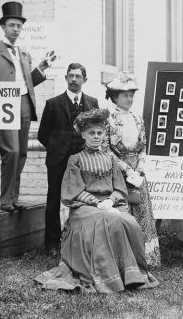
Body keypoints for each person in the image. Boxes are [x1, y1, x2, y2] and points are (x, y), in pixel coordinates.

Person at [34, 108, 159, 293]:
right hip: (83, 207)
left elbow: (120, 189)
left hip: (109, 204)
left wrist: (110, 200)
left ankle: (132, 274)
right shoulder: (75, 159)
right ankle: (108, 277)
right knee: (108, 219)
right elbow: (72, 191)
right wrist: (97, 203)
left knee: (129, 221)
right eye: (91, 133)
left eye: (99, 133)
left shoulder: (110, 159)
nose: (96, 136)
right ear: (83, 135)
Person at [0, 1, 50, 212]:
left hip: (23, 103)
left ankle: (13, 198)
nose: (16, 29)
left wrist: (41, 69)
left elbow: (26, 82)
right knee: (11, 152)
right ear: (3, 26)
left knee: (22, 153)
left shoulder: (24, 54)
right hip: (2, 105)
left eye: (19, 26)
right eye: (12, 25)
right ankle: (5, 200)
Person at [37, 63, 99, 256]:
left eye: (78, 76)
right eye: (70, 76)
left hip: (85, 160)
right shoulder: (53, 104)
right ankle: (52, 244)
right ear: (65, 78)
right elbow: (42, 134)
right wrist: (58, 148)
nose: (73, 79)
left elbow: (96, 130)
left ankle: (84, 240)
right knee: (54, 199)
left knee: (87, 197)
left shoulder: (92, 103)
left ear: (84, 80)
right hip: (58, 160)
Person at [105, 72, 161, 267]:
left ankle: (145, 257)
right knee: (124, 212)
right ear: (115, 97)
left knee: (142, 212)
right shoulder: (109, 119)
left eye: (131, 95)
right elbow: (106, 149)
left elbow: (143, 146)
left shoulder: (138, 119)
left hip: (138, 174)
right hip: (119, 174)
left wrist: (141, 167)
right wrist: (126, 169)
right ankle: (124, 258)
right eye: (125, 95)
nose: (129, 99)